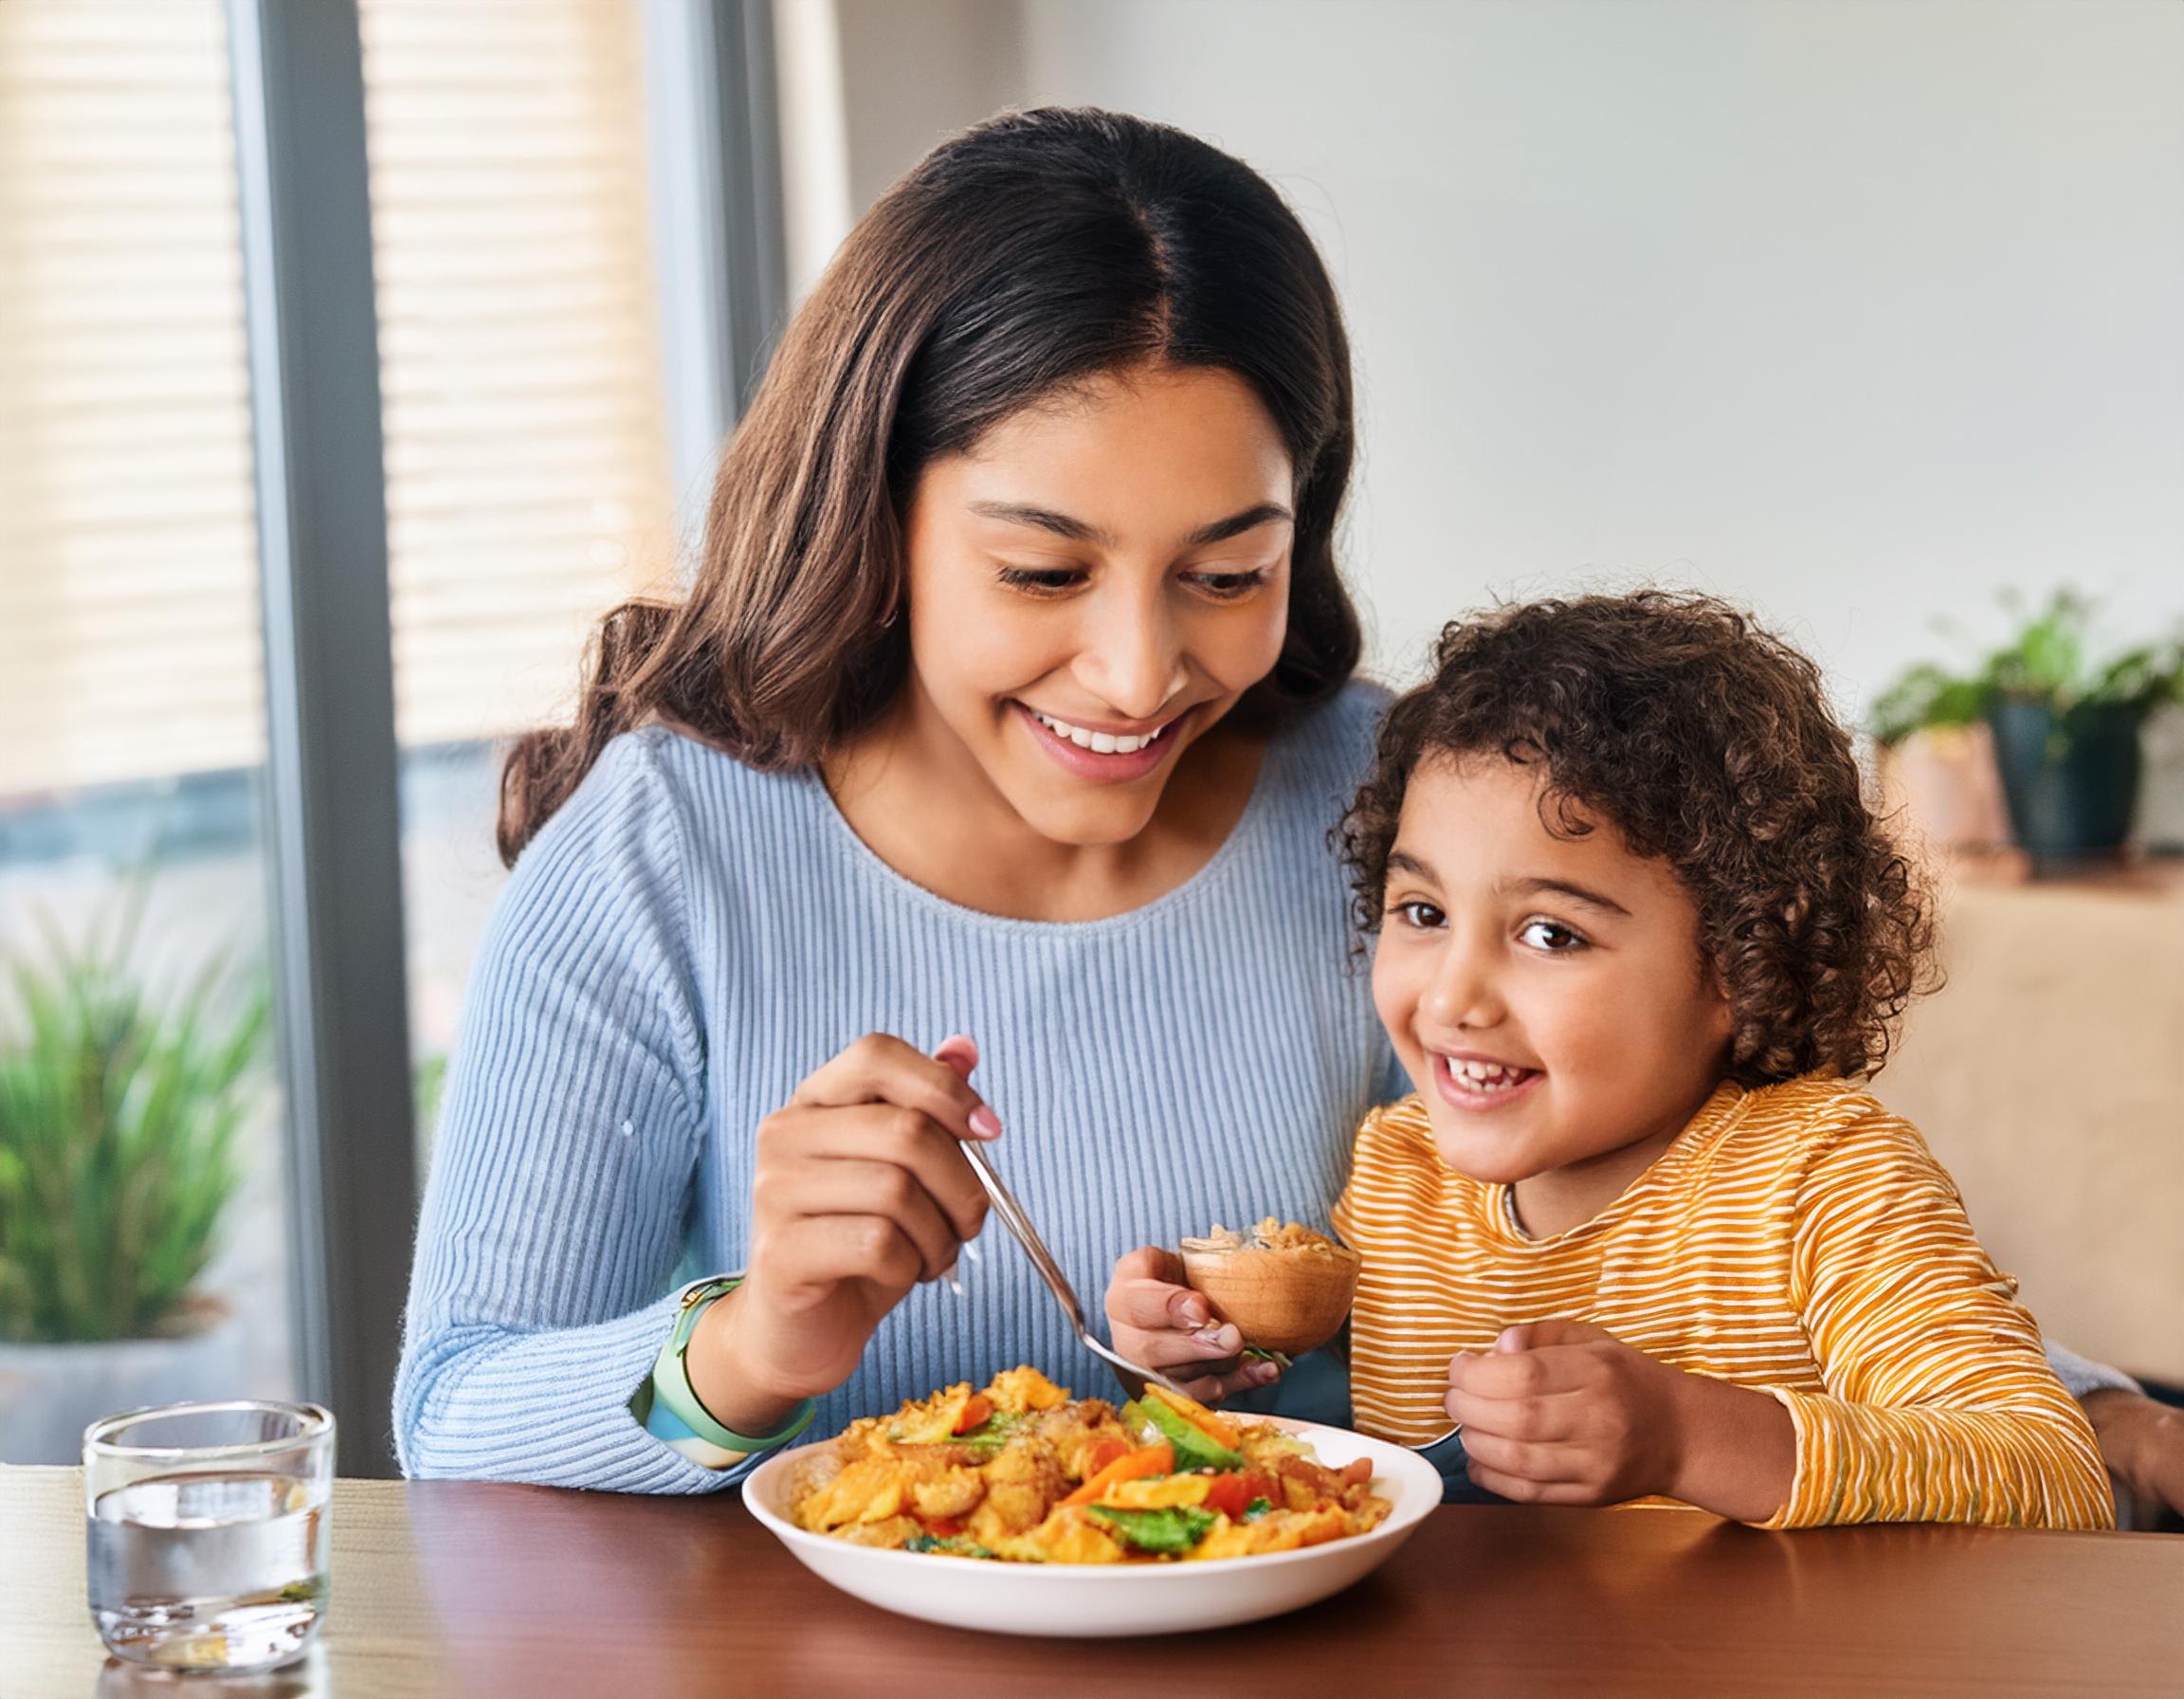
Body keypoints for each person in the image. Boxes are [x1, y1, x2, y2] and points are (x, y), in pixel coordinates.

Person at [395, 106, 2174, 1509]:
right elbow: (457, 1411)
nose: (1134, 671)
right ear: (877, 522)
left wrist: (2081, 1408)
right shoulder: (662, 855)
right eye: (1041, 567)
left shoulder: (1403, 810)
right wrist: (748, 1345)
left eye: (1224, 571)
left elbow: (1720, 1199)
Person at [1116, 593, 2115, 1528]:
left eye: (1551, 933)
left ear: (1740, 964)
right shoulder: (1400, 1176)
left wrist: (1690, 1438)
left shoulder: (1825, 1180)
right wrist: (1195, 1364)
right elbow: (1324, 1470)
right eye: (1422, 912)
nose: (1454, 997)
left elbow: (2049, 1474)